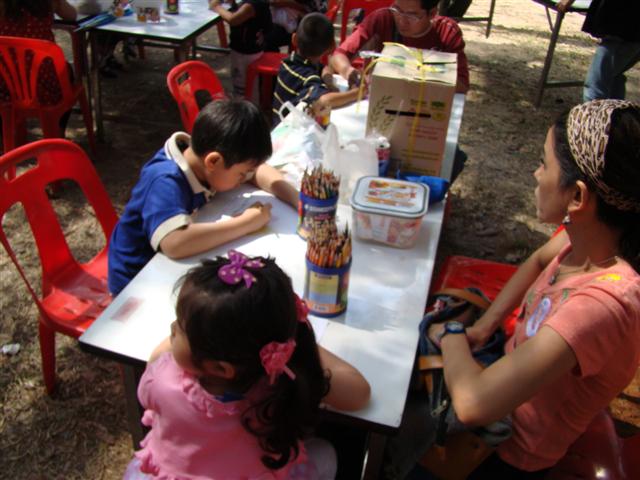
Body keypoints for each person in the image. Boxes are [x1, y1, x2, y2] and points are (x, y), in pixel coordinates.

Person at [425, 100, 640, 478]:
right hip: (500, 388)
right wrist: (484, 326)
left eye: (544, 164)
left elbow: (473, 404)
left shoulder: (601, 306)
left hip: (506, 453)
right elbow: (539, 260)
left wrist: (452, 333)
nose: (536, 173)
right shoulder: (592, 237)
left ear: (578, 197)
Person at [123, 253, 371, 479]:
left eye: (180, 327)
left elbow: (156, 358)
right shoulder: (279, 389)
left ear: (221, 368)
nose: (172, 329)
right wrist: (290, 341)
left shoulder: (163, 381)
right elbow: (359, 393)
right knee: (325, 452)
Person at [107, 99, 299, 296]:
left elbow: (257, 170)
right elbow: (174, 242)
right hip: (137, 282)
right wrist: (247, 223)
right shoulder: (165, 181)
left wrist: (297, 200)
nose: (243, 179)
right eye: (240, 175)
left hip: (173, 266)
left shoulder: (208, 157)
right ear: (213, 161)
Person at [328, 0, 469, 94]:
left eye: (412, 16)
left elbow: (461, 85)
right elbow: (338, 56)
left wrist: (409, 76)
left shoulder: (446, 32)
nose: (401, 20)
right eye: (397, 10)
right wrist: (349, 71)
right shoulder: (382, 19)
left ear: (432, 13)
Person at [0, 0, 77, 140]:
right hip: (45, 85)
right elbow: (72, 15)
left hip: (7, 85)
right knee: (68, 73)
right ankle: (57, 133)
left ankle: (10, 136)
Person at [272, 12, 360, 125]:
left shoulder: (289, 62)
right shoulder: (308, 77)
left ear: (294, 39)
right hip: (288, 130)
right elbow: (325, 100)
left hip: (280, 124)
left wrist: (329, 82)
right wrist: (356, 93)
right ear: (332, 47)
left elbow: (325, 68)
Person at [558, 0, 640, 102]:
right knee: (614, 76)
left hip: (621, 25)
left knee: (595, 88)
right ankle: (616, 110)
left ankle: (596, 111)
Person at [209, 0, 273, 98]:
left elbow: (233, 20)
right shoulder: (257, 4)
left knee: (242, 86)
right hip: (252, 49)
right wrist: (233, 3)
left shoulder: (251, 5)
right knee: (251, 84)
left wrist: (216, 7)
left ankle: (245, 103)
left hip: (244, 53)